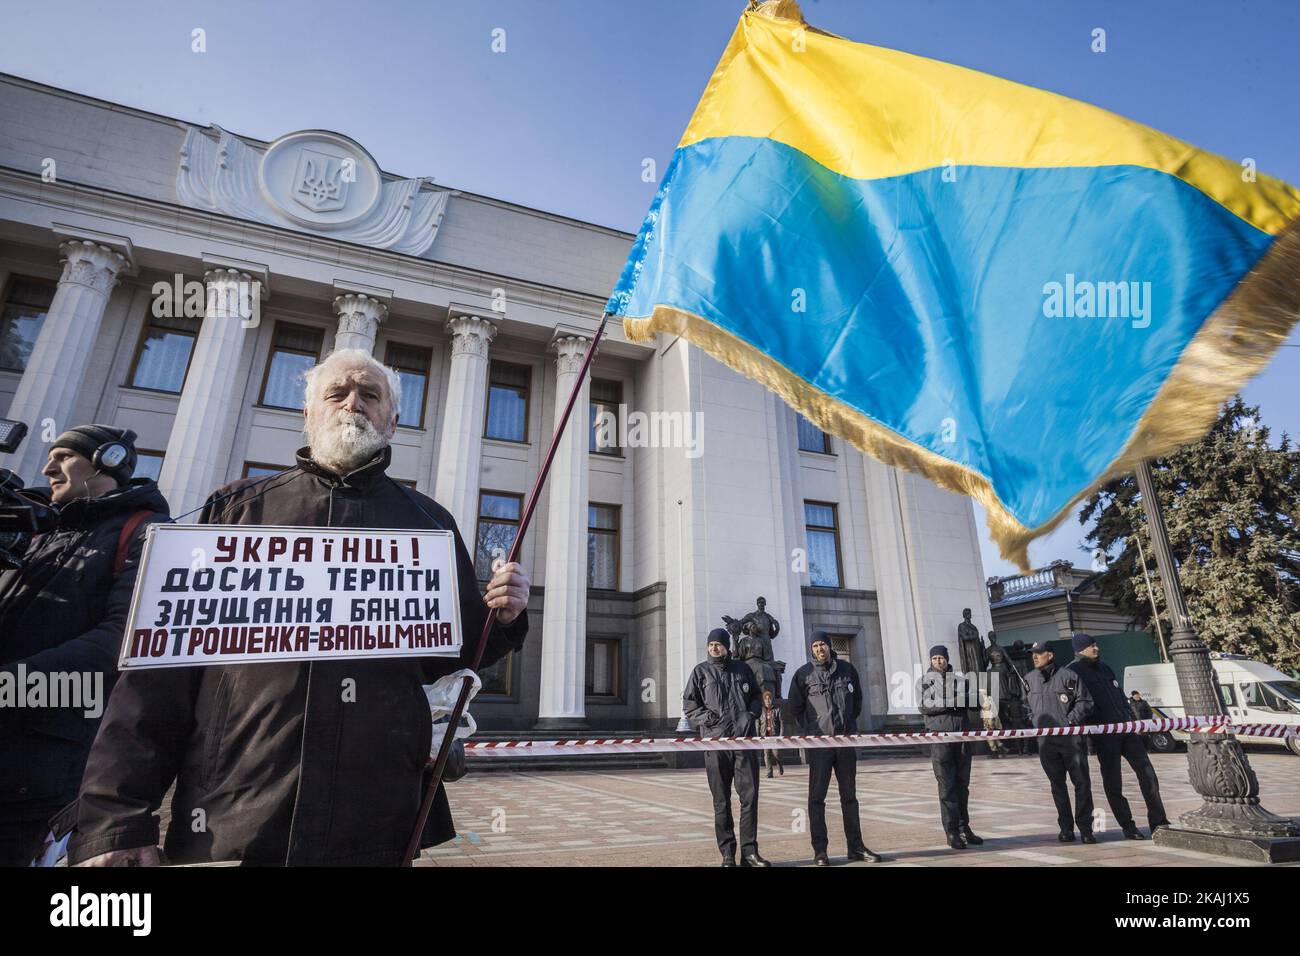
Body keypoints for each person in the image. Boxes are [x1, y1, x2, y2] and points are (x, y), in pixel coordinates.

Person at [66, 349, 532, 866]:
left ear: (393, 421)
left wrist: (504, 617)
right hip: (236, 819)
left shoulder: (428, 524)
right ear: (309, 414)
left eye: (370, 395)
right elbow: (159, 673)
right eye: (337, 394)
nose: (353, 403)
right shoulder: (236, 510)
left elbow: (456, 658)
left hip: (376, 818)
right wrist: (117, 821)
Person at [0, 426, 170, 867]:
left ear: (106, 461)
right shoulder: (33, 527)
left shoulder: (144, 531)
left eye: (62, 456)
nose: (47, 468)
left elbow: (122, 640)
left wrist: (10, 687)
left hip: (42, 765)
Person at [787, 637, 882, 866]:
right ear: (812, 650)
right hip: (820, 746)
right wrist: (812, 729)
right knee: (816, 799)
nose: (820, 649)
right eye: (815, 646)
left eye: (823, 644)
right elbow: (794, 708)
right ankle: (820, 851)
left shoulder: (848, 670)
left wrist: (848, 724)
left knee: (849, 797)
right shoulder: (803, 674)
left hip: (845, 743)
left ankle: (856, 847)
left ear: (829, 647)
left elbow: (857, 701)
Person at [1067, 633, 1170, 839]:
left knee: (1148, 774)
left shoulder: (1106, 668)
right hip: (1105, 735)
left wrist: (1130, 719)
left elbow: (1120, 697)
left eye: (1095, 644)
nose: (1096, 648)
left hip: (1126, 730)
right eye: (1091, 646)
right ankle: (1128, 826)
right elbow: (1076, 704)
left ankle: (1159, 821)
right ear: (1080, 649)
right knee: (1114, 783)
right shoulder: (1073, 672)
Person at [683, 627, 768, 867]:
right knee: (721, 801)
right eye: (711, 645)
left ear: (726, 647)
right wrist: (709, 720)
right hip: (716, 744)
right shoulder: (700, 672)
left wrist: (750, 715)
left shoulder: (742, 669)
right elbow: (690, 705)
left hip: (743, 744)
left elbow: (756, 696)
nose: (714, 648)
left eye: (718, 644)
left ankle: (749, 853)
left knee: (749, 799)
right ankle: (728, 854)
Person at [1025, 641, 1096, 843]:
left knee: (1081, 783)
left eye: (1039, 653)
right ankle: (1066, 828)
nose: (1035, 657)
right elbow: (1025, 705)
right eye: (1033, 654)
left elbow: (1085, 701)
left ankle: (1086, 829)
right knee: (1057, 785)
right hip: (1046, 741)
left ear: (1050, 655)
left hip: (1071, 740)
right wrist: (1034, 720)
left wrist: (1070, 720)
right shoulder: (1029, 679)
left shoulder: (1068, 676)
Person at [918, 645, 983, 850]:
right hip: (940, 741)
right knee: (947, 787)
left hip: (961, 739)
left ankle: (965, 828)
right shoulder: (924, 683)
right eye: (935, 658)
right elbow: (925, 706)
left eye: (941, 658)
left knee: (962, 786)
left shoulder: (961, 681)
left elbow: (975, 702)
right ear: (931, 660)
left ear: (947, 659)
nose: (939, 661)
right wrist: (955, 702)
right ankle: (952, 831)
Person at [757, 689, 783, 778]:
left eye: (769, 699)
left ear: (771, 700)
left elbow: (781, 723)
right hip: (765, 736)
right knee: (767, 754)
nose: (768, 701)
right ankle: (769, 772)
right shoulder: (761, 711)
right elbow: (758, 724)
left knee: (776, 754)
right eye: (766, 699)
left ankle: (779, 764)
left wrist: (781, 735)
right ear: (764, 701)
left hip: (774, 736)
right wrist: (758, 736)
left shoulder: (777, 710)